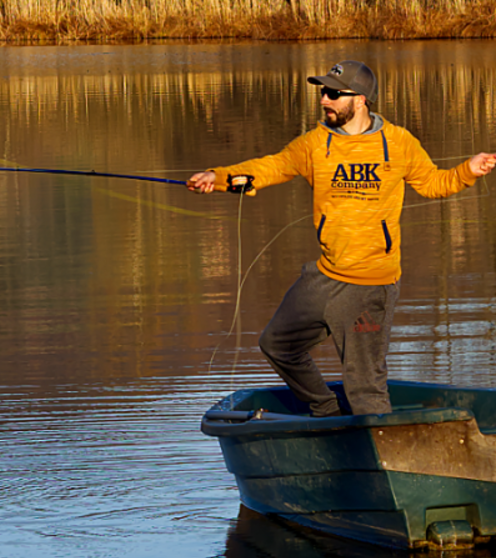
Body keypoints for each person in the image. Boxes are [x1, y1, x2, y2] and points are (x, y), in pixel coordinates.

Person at [188, 60, 496, 416]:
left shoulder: (398, 142)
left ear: (361, 99)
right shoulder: (314, 144)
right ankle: (326, 412)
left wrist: (467, 171)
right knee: (277, 344)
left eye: (334, 94)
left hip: (371, 285)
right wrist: (218, 177)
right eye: (323, 92)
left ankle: (379, 446)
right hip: (325, 277)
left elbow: (433, 183)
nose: (324, 100)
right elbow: (270, 167)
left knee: (366, 390)